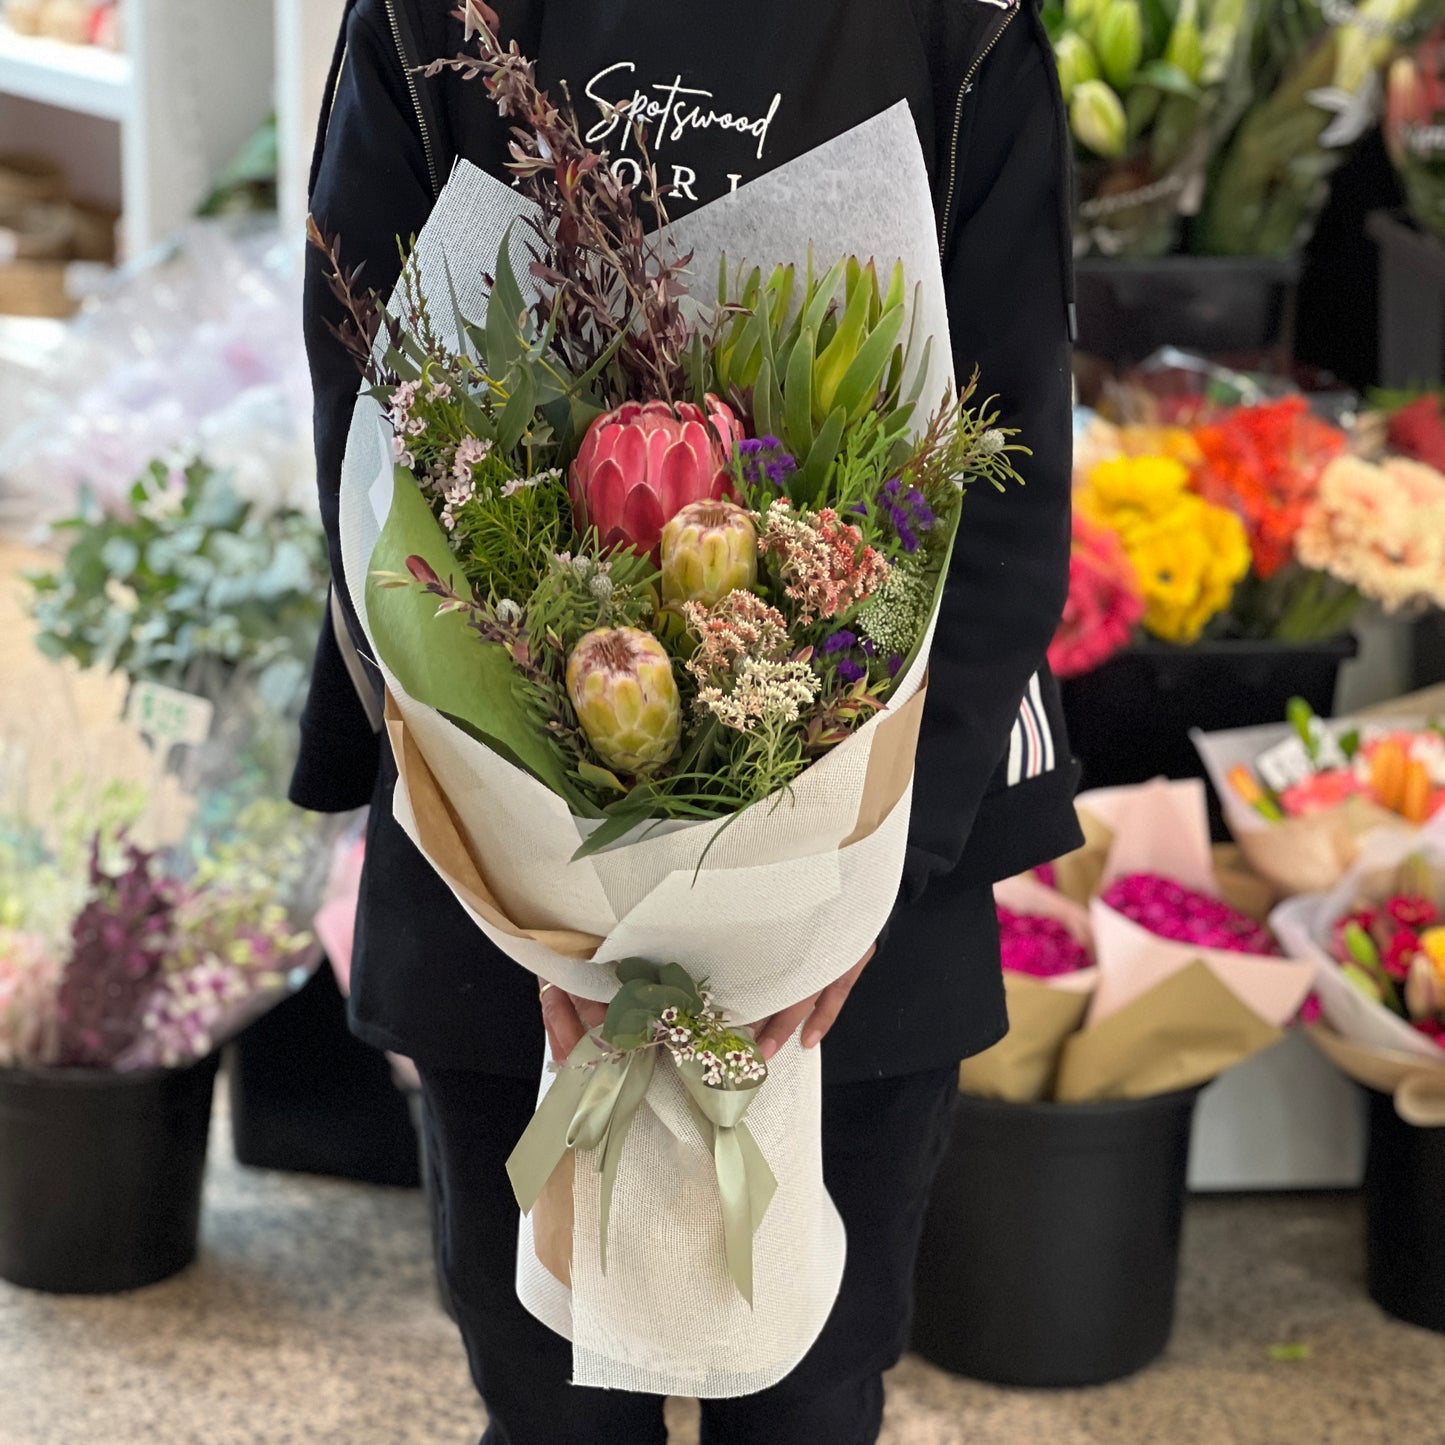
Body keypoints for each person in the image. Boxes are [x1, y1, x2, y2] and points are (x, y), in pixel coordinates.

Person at [295, 2, 1080, 1441]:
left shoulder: (958, 30)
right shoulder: (427, 16)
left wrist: (848, 890)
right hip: (496, 846)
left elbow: (1011, 462)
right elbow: (371, 434)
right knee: (544, 1381)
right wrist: (534, 905)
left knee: (812, 1383)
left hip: (872, 843)